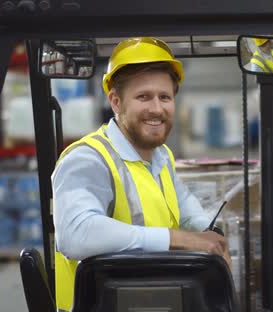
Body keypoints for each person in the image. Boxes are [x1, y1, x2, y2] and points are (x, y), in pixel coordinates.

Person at [51, 37, 231, 311]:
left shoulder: (160, 156)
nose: (157, 109)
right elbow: (76, 235)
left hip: (152, 299)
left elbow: (183, 205)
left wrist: (209, 234)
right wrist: (179, 239)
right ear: (116, 102)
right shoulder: (89, 159)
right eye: (143, 97)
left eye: (164, 97)